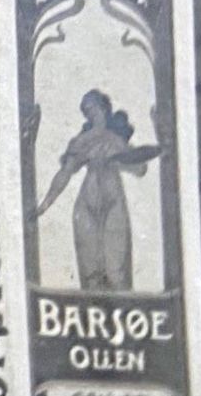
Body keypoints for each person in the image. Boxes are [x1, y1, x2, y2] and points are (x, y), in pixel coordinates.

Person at [33, 89, 157, 291]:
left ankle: (120, 314)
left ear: (104, 109)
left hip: (113, 200)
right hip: (87, 203)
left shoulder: (116, 139)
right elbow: (65, 173)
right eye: (87, 111)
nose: (92, 114)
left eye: (94, 108)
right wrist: (45, 203)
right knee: (90, 269)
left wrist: (118, 158)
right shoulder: (83, 140)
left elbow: (140, 168)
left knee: (116, 268)